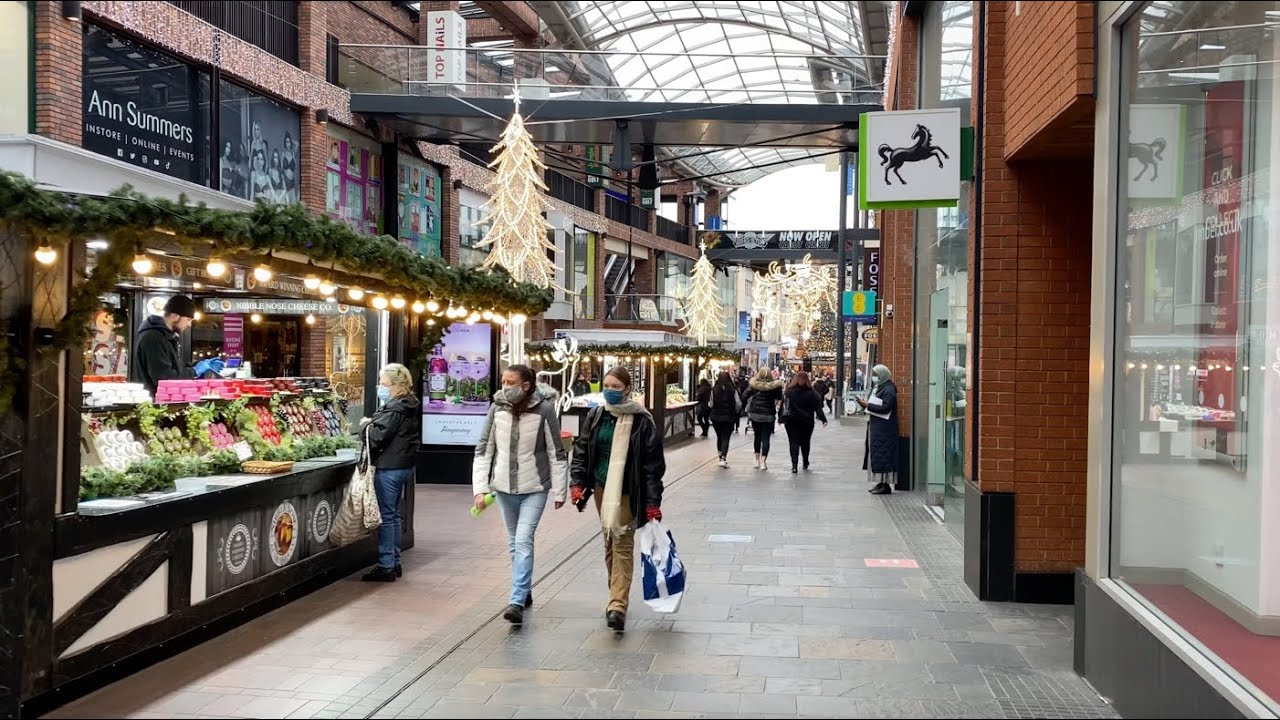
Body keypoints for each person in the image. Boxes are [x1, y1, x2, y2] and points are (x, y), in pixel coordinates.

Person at [570, 367, 665, 632]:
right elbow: (582, 450)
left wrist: (652, 502)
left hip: (628, 490)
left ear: (626, 389)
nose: (610, 390)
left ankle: (617, 605)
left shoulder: (642, 421)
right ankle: (616, 591)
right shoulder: (596, 415)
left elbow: (652, 467)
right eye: (607, 385)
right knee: (609, 540)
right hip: (602, 488)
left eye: (615, 386)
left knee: (622, 541)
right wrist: (578, 483)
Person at [473, 365, 568, 624]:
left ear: (526, 385)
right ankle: (523, 590)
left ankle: (515, 601)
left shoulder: (544, 410)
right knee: (515, 543)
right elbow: (484, 449)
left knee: (524, 540)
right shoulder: (497, 409)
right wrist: (480, 488)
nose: (505, 386)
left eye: (511, 382)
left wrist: (561, 490)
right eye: (503, 381)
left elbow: (556, 451)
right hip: (503, 487)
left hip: (535, 487)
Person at [361, 363, 422, 581]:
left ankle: (386, 564)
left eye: (383, 383)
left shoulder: (395, 408)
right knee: (394, 515)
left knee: (387, 517)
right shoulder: (408, 404)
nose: (379, 386)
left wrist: (365, 426)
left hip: (390, 467)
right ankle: (394, 561)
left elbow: (377, 437)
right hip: (404, 465)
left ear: (395, 386)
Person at [131, 295, 223, 395]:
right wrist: (194, 371)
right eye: (188, 319)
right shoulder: (153, 338)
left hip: (162, 402)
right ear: (175, 316)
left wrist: (199, 365)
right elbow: (164, 379)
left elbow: (173, 368)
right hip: (153, 404)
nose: (189, 325)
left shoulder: (166, 336)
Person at [858, 364, 899, 495]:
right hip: (878, 427)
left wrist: (868, 405)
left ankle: (885, 485)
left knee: (884, 455)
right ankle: (880, 483)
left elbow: (886, 407)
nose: (874, 377)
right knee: (878, 455)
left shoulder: (889, 389)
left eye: (876, 375)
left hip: (885, 429)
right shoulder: (880, 387)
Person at [781, 371, 827, 473]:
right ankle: (805, 462)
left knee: (793, 442)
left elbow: (784, 406)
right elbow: (817, 407)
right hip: (807, 421)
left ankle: (794, 465)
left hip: (791, 420)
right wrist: (823, 419)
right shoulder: (812, 392)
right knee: (805, 442)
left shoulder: (789, 391)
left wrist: (781, 419)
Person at [743, 367, 784, 471]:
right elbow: (780, 398)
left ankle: (756, 459)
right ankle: (763, 461)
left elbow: (744, 396)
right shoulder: (775, 386)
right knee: (766, 438)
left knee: (757, 436)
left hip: (755, 414)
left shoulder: (753, 385)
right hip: (768, 415)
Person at [707, 371, 741, 467]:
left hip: (716, 417)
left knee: (719, 437)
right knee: (726, 437)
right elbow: (738, 403)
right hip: (729, 417)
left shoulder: (714, 390)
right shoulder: (732, 389)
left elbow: (711, 404)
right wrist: (735, 411)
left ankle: (720, 456)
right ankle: (723, 458)